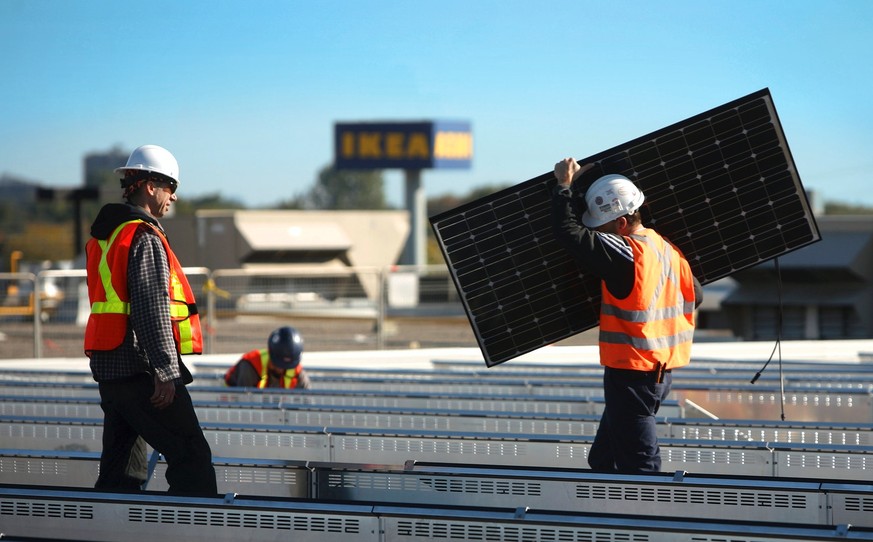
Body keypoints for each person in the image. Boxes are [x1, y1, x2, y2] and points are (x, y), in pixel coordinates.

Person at [550, 158, 702, 473]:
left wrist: (564, 185)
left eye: (603, 227)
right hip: (660, 372)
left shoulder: (627, 251)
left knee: (641, 467)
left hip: (633, 373)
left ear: (621, 223)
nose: (601, 235)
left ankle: (650, 517)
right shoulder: (668, 251)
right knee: (603, 460)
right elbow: (696, 296)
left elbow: (568, 233)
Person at [84, 144, 217, 496]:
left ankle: (107, 532)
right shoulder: (143, 236)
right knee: (192, 457)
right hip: (141, 369)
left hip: (111, 369)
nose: (173, 197)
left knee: (122, 471)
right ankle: (190, 533)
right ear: (149, 186)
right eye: (171, 186)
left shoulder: (105, 236)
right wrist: (166, 371)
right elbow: (150, 308)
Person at [224, 326, 312, 389]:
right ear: (271, 354)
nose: (282, 369)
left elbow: (308, 404)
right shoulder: (251, 366)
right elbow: (242, 402)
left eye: (287, 366)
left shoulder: (298, 373)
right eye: (279, 364)